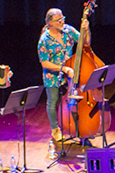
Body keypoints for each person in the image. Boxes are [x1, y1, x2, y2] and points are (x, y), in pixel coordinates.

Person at [37, 8, 90, 142]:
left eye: (63, 19)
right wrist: (63, 69)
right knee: (53, 101)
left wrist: (86, 29)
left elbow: (86, 43)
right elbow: (45, 63)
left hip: (70, 73)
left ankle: (78, 128)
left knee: (74, 100)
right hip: (53, 76)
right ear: (50, 23)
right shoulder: (44, 40)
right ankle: (55, 129)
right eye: (58, 20)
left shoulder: (68, 31)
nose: (62, 22)